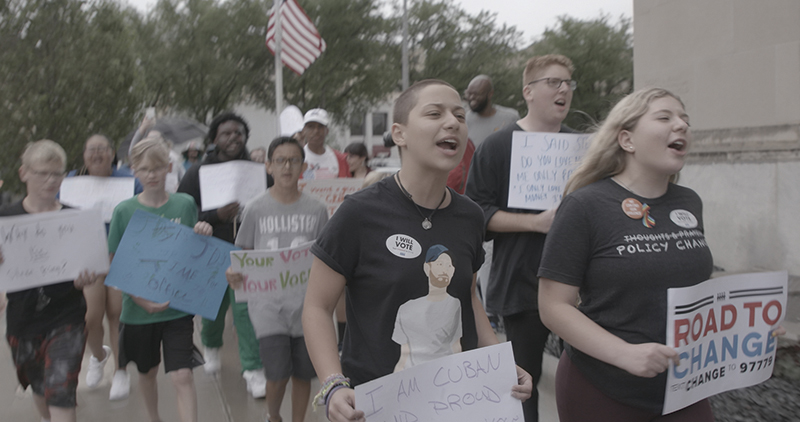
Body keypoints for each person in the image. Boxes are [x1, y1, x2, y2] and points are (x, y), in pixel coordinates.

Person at [303, 79, 533, 422]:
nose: (453, 122)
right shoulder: (359, 214)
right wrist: (334, 385)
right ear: (399, 134)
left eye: (459, 114)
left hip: (457, 401)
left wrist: (500, 361)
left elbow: (469, 299)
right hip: (378, 406)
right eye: (434, 113)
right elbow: (317, 307)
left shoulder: (470, 215)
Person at [537, 87, 718, 421]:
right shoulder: (583, 206)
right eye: (664, 117)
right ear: (627, 140)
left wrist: (751, 327)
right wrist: (625, 355)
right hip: (602, 388)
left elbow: (695, 297)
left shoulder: (689, 202)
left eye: (685, 120)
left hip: (685, 387)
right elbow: (553, 307)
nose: (681, 126)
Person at [465, 54, 577, 422]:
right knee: (523, 382)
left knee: (582, 380)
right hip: (521, 283)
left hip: (582, 288)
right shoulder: (498, 147)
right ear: (528, 91)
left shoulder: (585, 149)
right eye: (553, 82)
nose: (563, 89)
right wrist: (535, 223)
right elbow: (476, 215)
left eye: (568, 83)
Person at [108, 138, 212, 422]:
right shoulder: (124, 211)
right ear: (134, 171)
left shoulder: (185, 204)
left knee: (182, 376)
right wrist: (142, 300)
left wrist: (203, 232)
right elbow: (115, 263)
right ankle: (153, 418)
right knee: (148, 372)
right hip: (139, 312)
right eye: (144, 169)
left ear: (168, 168)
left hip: (177, 306)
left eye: (157, 168)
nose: (152, 174)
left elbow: (195, 253)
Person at [227, 136, 329, 422]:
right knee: (277, 372)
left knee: (303, 374)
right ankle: (273, 416)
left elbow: (325, 257)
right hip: (267, 305)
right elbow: (243, 255)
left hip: (306, 305)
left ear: (304, 166)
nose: (287, 166)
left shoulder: (318, 209)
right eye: (280, 160)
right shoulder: (255, 208)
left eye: (294, 160)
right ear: (268, 166)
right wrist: (234, 274)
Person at [1, 140, 99, 422]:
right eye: (42, 173)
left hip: (66, 318)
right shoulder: (5, 220)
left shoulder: (74, 218)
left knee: (62, 390)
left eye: (57, 173)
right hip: (23, 322)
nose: (50, 180)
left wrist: (86, 278)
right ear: (24, 173)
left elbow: (90, 265)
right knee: (41, 389)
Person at [176, 112, 267, 398]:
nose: (233, 137)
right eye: (226, 133)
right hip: (209, 250)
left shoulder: (258, 171)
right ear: (215, 138)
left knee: (245, 311)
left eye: (238, 133)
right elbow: (183, 211)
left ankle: (252, 368)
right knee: (212, 308)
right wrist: (216, 215)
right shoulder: (197, 172)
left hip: (247, 250)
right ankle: (211, 346)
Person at [66, 133, 143, 400]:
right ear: (84, 154)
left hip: (121, 254)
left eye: (103, 149)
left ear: (112, 153)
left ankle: (121, 370)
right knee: (90, 316)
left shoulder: (129, 180)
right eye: (91, 149)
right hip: (87, 258)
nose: (97, 154)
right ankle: (98, 356)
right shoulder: (72, 181)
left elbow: (145, 212)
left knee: (117, 314)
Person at [392, 244, 462, 371]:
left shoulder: (455, 304)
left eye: (449, 265)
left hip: (446, 375)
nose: (445, 269)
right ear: (427, 267)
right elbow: (404, 353)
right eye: (440, 263)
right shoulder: (406, 308)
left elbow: (455, 346)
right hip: (413, 379)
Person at [464, 75, 521, 147]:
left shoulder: (510, 118)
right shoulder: (464, 120)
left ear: (490, 94)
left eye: (476, 94)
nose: (472, 98)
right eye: (469, 94)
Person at [299, 108, 350, 179]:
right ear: (304, 131)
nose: (316, 131)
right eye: (311, 127)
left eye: (320, 126)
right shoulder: (296, 159)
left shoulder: (340, 159)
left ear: (327, 131)